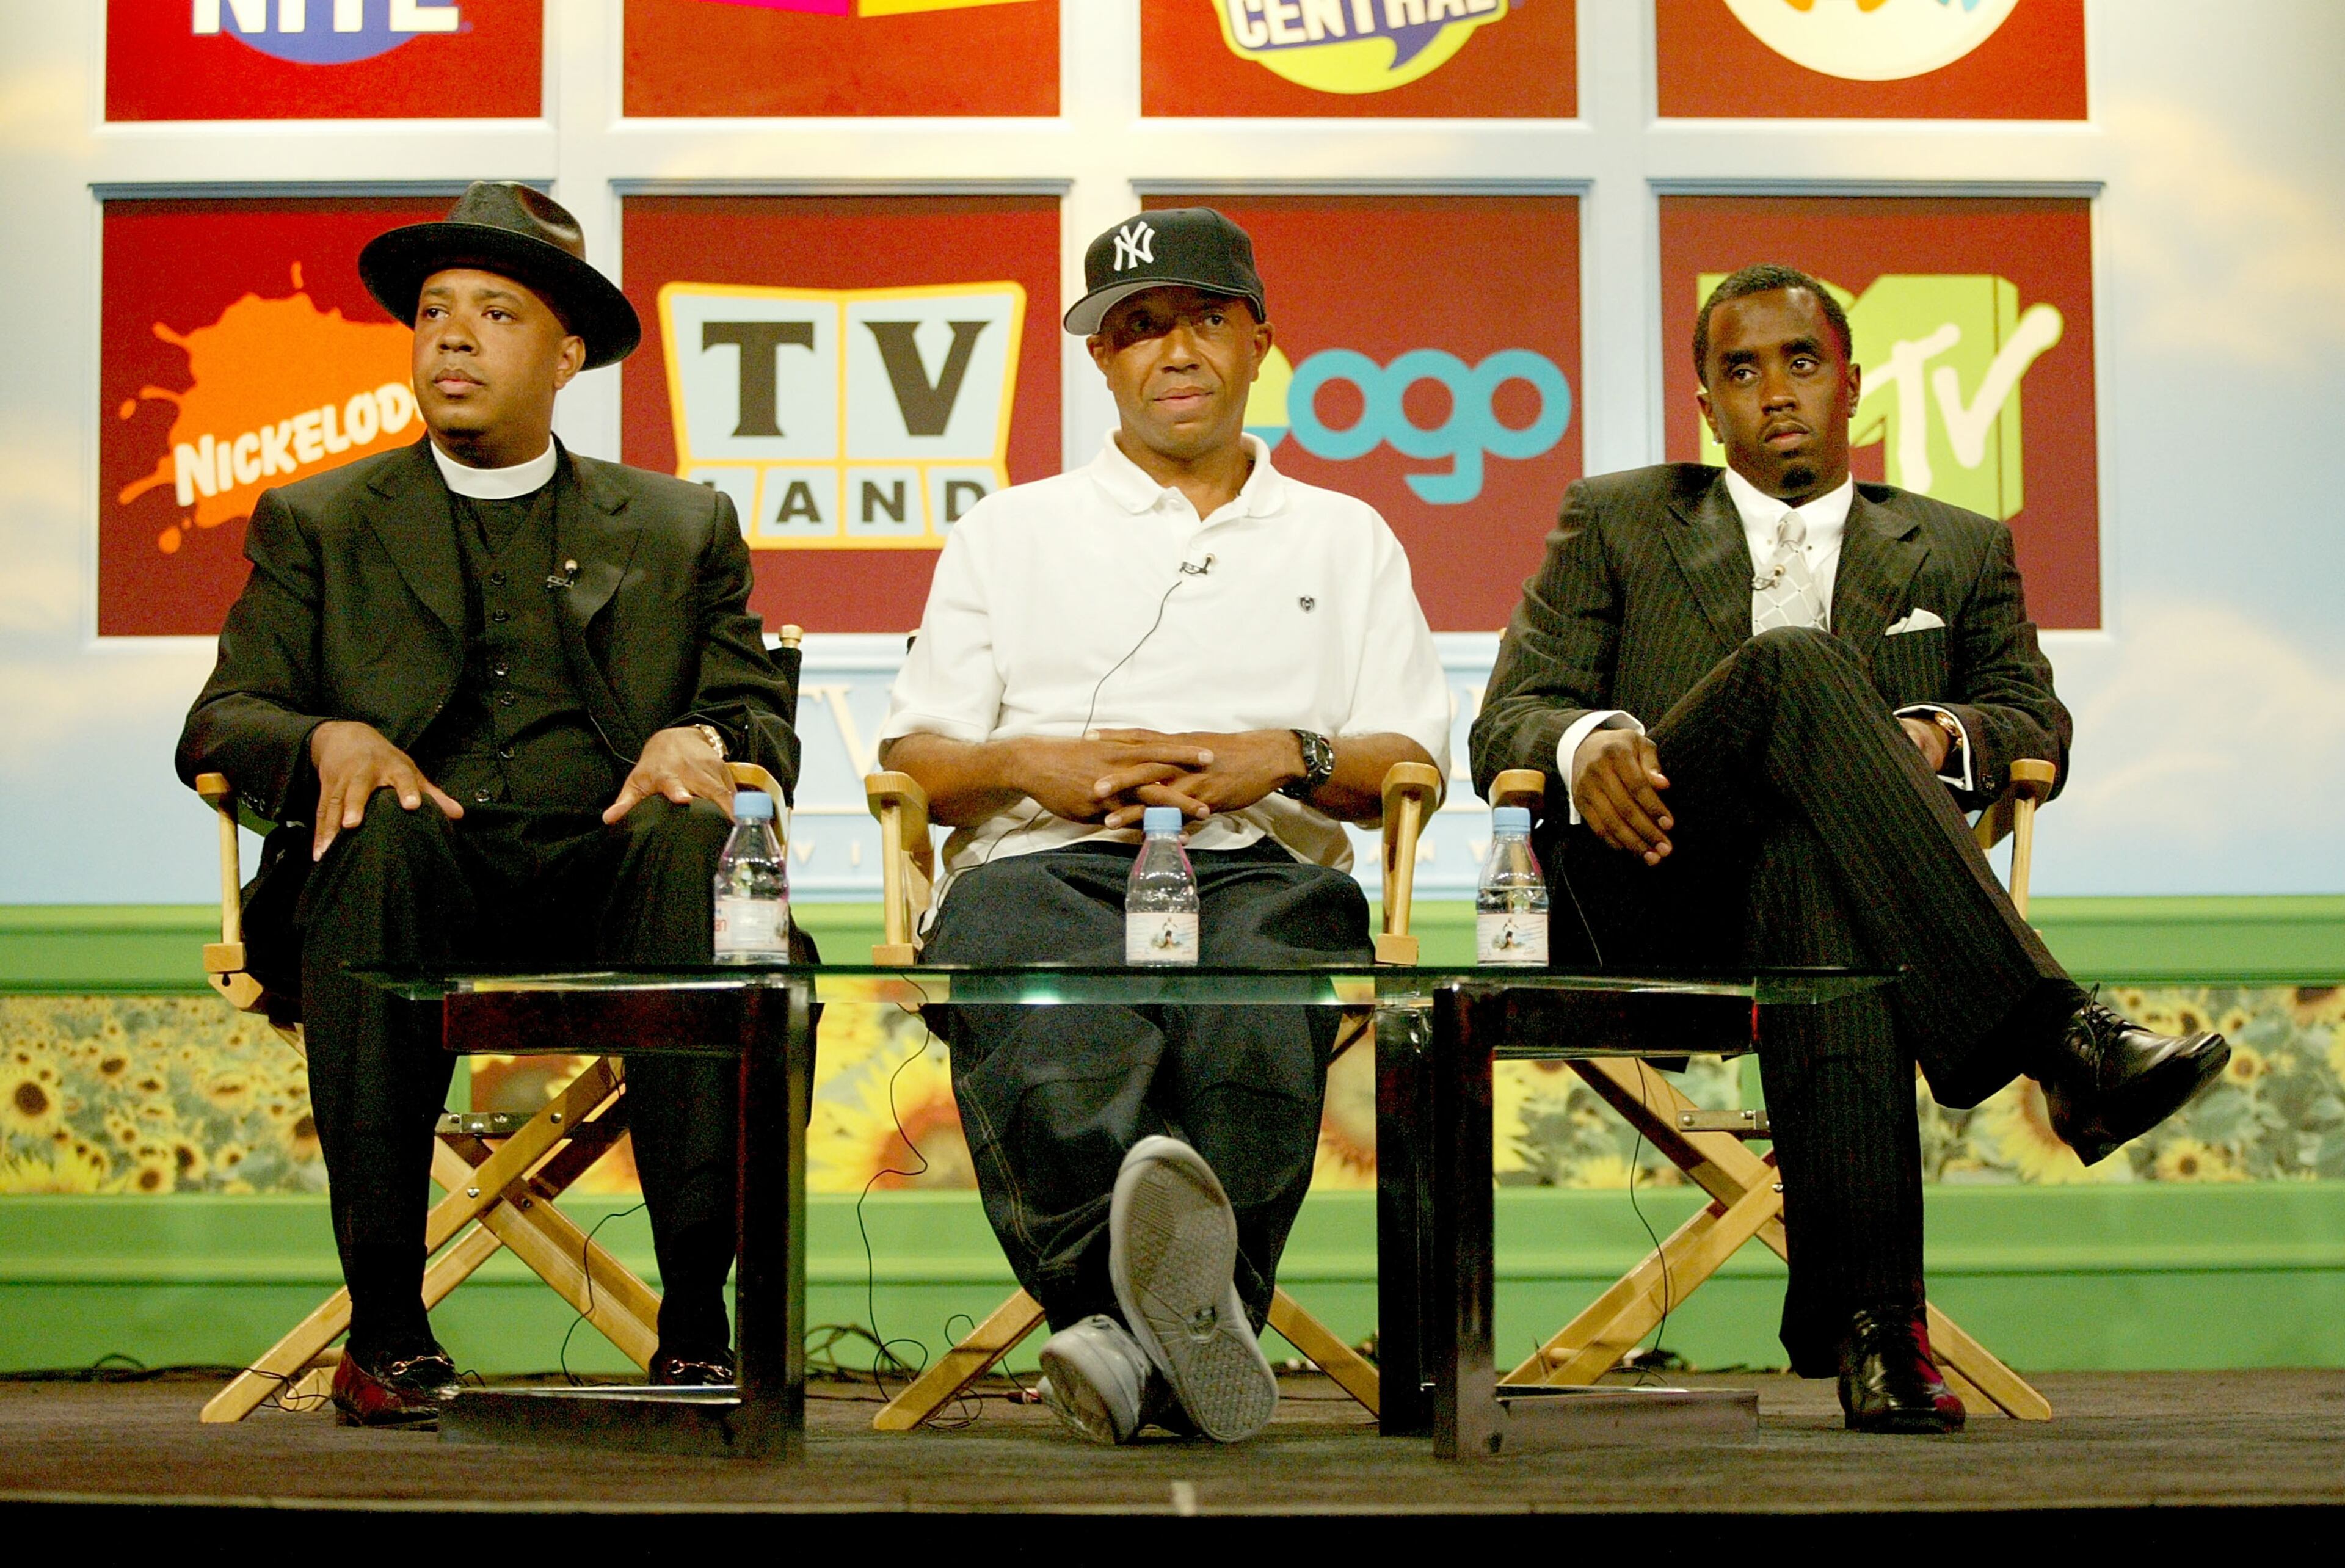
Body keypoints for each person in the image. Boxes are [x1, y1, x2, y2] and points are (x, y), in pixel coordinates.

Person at [1469, 263, 2228, 1434]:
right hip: (1648, 893)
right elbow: (1506, 722)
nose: (1775, 391)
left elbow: (2034, 725)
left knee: (1819, 880)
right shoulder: (1615, 520)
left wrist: (1935, 737)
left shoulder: (1959, 548)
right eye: (1741, 370)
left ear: (1854, 385)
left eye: (1802, 362)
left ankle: (1876, 1332)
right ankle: (2060, 1040)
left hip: (1841, 918)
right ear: (1705, 405)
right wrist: (1583, 741)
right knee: (1797, 661)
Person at [176, 183, 801, 1426]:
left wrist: (700, 741)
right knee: (378, 835)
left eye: (497, 314)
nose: (452, 338)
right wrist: (326, 738)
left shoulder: (680, 526)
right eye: (433, 313)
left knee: (694, 842)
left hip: (617, 884)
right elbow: (221, 722)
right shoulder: (319, 521)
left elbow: (759, 719)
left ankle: (695, 1324)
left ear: (568, 357)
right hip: (412, 891)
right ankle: (386, 1332)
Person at [877, 209, 1450, 1445]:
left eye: (1206, 319)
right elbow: (915, 760)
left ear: (1260, 344)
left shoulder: (1345, 536)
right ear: (1102, 359)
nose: (1175, 351)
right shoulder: (1007, 530)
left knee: (1250, 1023)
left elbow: (1409, 764)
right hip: (1044, 865)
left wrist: (1285, 755)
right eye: (1139, 328)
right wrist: (1027, 763)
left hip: (1261, 871)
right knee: (1055, 1018)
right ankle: (1184, 1334)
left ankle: (1114, 1345)